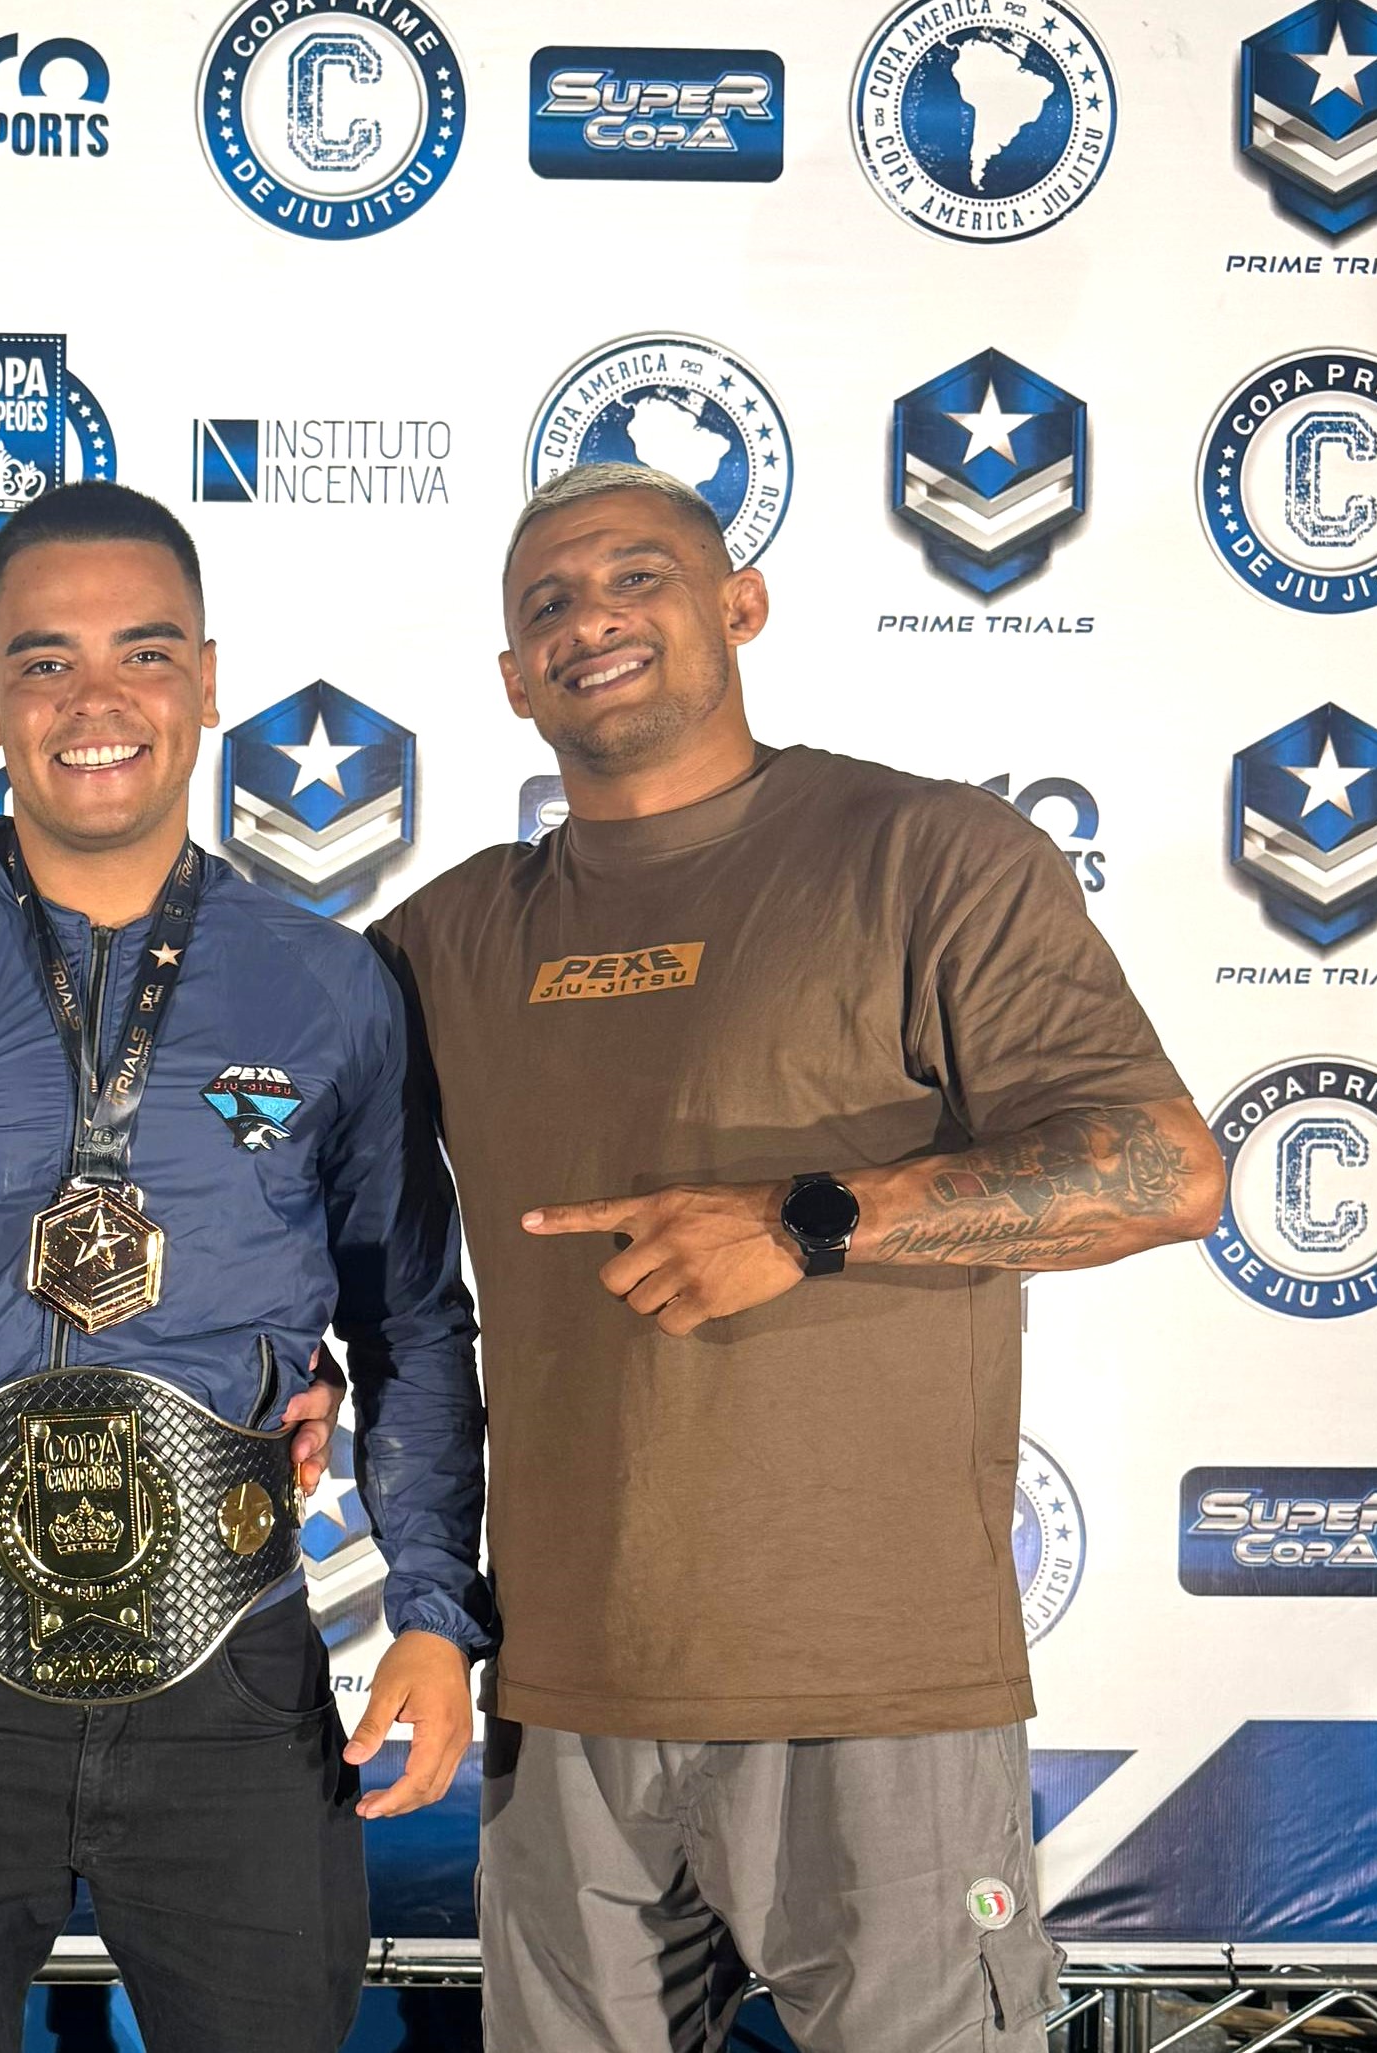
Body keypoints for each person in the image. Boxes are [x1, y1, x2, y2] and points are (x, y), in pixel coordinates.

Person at [370, 461, 1225, 2052]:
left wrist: (807, 1221)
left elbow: (1165, 1169)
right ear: (510, 677)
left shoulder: (926, 851)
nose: (591, 618)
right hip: (566, 1696)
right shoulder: (446, 936)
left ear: (741, 605)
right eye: (548, 602)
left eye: (637, 577)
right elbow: (255, 1105)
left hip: (871, 1686)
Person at [0, 480, 493, 2053]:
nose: (96, 701)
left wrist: (431, 1611)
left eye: (144, 655)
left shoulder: (329, 983)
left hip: (235, 1688)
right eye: (45, 661)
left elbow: (412, 1317)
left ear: (207, 681)